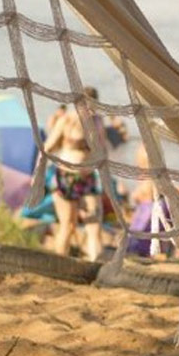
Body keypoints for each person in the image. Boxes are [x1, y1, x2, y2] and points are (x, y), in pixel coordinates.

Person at [42, 86, 106, 261]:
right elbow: (47, 147)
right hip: (65, 176)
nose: (91, 110)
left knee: (94, 224)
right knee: (68, 225)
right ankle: (59, 262)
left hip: (88, 177)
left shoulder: (98, 122)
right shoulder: (66, 120)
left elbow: (103, 151)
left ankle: (96, 261)